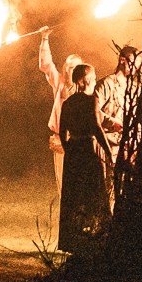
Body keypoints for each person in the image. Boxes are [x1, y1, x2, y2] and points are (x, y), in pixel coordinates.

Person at [55, 59, 109, 252]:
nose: (95, 80)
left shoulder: (68, 103)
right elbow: (96, 127)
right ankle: (95, 237)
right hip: (87, 150)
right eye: (92, 78)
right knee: (93, 192)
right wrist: (108, 151)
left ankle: (73, 239)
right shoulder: (90, 101)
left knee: (74, 194)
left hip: (74, 151)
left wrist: (69, 149)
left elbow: (62, 131)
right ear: (83, 81)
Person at [35, 29, 93, 191]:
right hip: (61, 140)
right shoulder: (60, 83)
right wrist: (45, 39)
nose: (73, 70)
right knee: (64, 182)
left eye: (77, 67)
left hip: (80, 141)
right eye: (70, 67)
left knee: (79, 183)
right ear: (66, 68)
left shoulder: (88, 88)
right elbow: (46, 65)